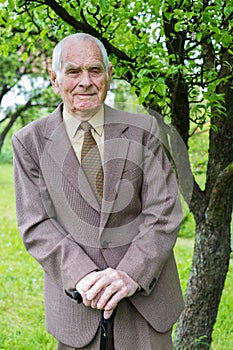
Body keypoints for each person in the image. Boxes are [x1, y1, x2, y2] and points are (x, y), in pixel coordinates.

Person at [12, 33, 184, 350]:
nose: (85, 82)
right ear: (54, 78)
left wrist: (130, 273)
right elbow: (36, 224)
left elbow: (164, 212)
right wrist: (85, 277)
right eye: (73, 71)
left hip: (146, 306)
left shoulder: (143, 129)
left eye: (95, 70)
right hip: (78, 307)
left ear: (109, 75)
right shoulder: (29, 142)